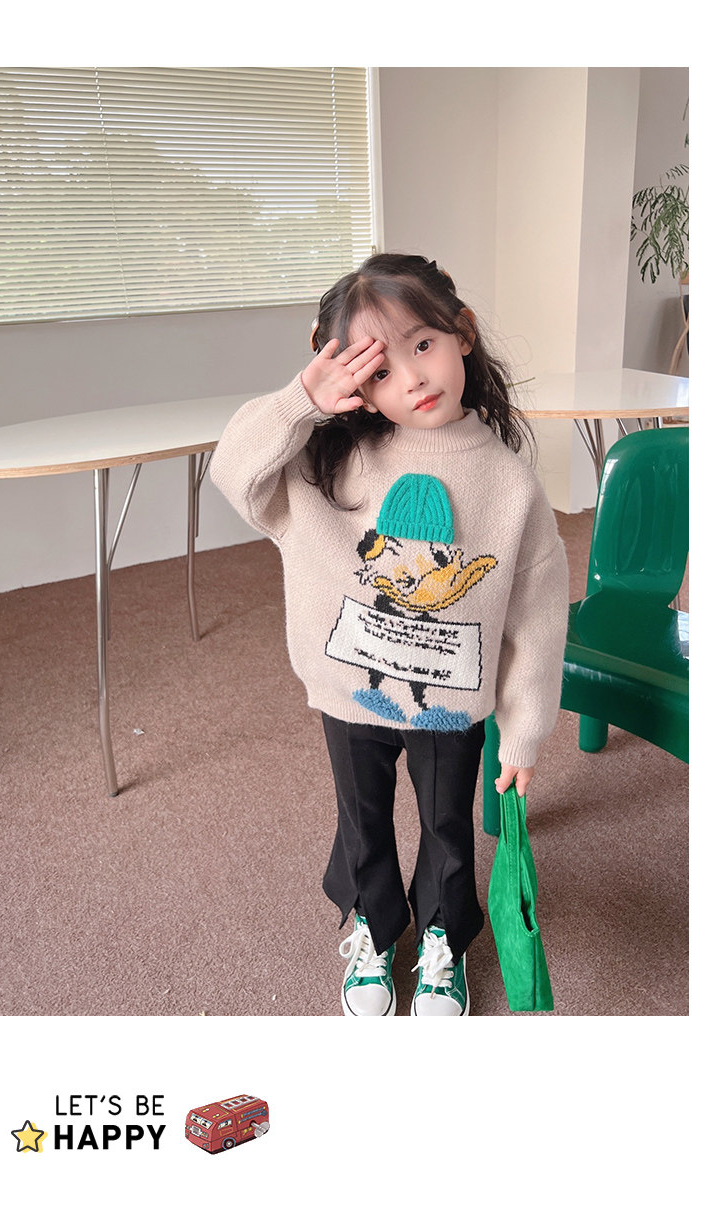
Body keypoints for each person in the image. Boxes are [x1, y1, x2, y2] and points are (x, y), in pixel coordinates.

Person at [210, 252, 568, 1017]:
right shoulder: (325, 462)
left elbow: (538, 614)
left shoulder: (509, 482)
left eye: (423, 344)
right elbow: (233, 472)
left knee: (447, 824)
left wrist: (525, 728)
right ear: (355, 385)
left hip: (450, 705)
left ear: (463, 332)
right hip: (350, 693)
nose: (411, 378)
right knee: (362, 819)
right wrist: (301, 400)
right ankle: (373, 924)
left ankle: (443, 933)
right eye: (378, 370)